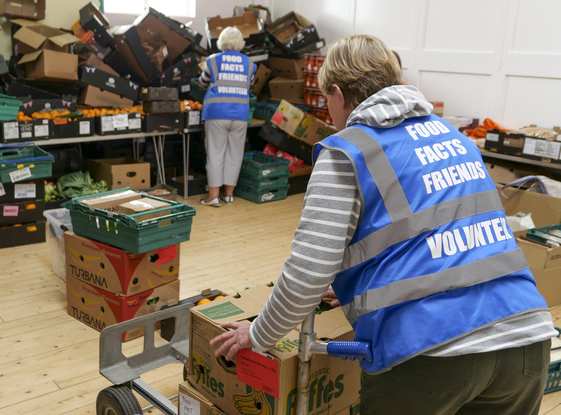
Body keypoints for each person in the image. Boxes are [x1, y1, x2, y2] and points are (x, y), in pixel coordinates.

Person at [210, 34, 556, 414]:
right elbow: (437, 236)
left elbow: (307, 271)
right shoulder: (455, 139)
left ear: (339, 94)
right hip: (526, 337)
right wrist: (355, 281)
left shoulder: (348, 151)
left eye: (327, 100)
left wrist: (257, 334)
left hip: (432, 350)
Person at [198, 26, 256, 207]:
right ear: (240, 43)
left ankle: (213, 196)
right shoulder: (250, 63)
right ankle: (229, 194)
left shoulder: (213, 60)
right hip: (240, 114)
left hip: (217, 113)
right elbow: (250, 84)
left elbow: (202, 82)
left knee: (215, 153)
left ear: (221, 41)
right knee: (235, 153)